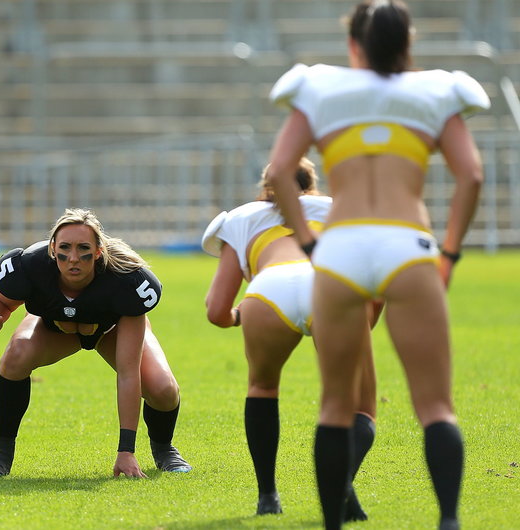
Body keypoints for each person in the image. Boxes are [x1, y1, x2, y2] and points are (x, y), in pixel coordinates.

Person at [264, 2, 488, 528]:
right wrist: (450, 251)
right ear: (408, 44)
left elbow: (278, 172)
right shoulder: (438, 90)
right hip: (406, 245)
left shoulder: (318, 89)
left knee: (335, 406)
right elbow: (471, 176)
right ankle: (449, 521)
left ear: (354, 45)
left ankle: (332, 525)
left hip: (339, 247)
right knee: (434, 405)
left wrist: (309, 244)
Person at [202, 159, 378, 519]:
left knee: (262, 388)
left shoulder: (242, 217)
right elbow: (374, 283)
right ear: (312, 186)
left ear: (265, 188)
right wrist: (362, 325)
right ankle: (339, 482)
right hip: (331, 287)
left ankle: (268, 497)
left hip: (268, 291)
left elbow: (216, 310)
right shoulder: (338, 208)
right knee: (360, 407)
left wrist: (240, 315)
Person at [0, 208, 191, 478]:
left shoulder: (125, 279)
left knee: (163, 389)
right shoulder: (32, 265)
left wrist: (126, 450)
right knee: (16, 354)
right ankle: (0, 453)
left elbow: (127, 372)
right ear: (53, 249)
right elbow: (1, 298)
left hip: (112, 330)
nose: (73, 258)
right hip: (56, 330)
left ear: (99, 251)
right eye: (65, 248)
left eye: (83, 248)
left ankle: (164, 448)